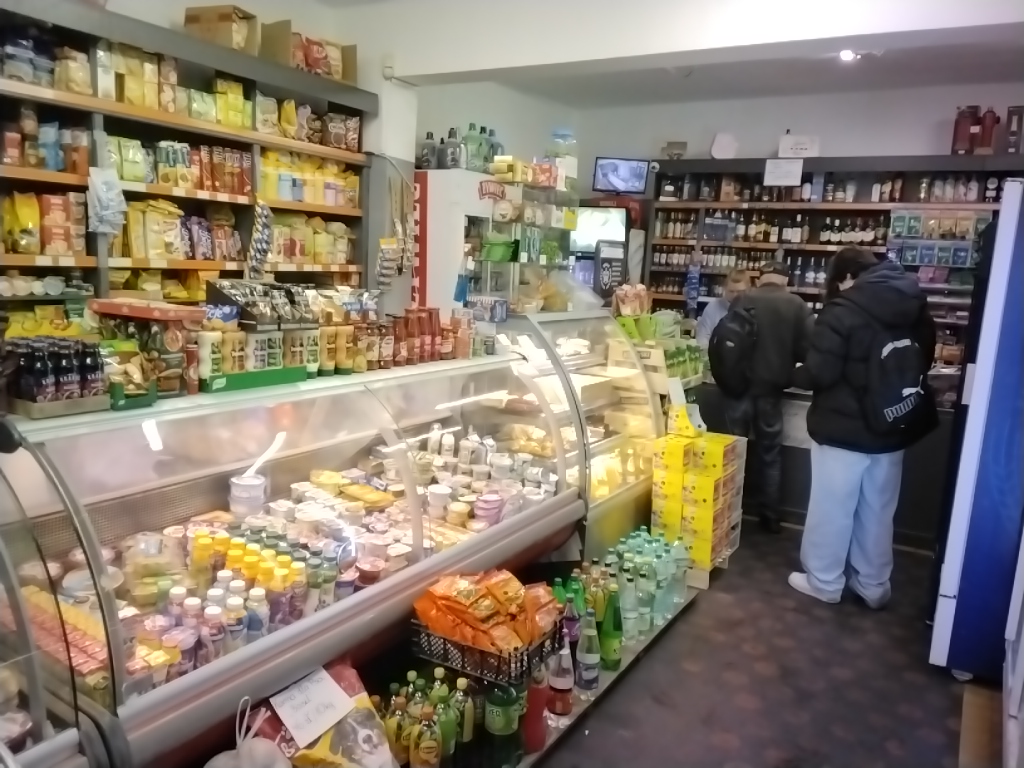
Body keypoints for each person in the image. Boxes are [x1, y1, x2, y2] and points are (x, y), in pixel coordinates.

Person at [788, 248, 937, 607]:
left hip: (843, 428)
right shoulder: (913, 303)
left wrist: (789, 373)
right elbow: (924, 359)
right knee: (879, 510)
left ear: (844, 277)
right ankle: (873, 584)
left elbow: (819, 373)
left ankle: (824, 581)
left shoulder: (841, 311)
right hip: (893, 423)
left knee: (832, 507)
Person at [717, 261, 812, 532]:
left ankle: (727, 514)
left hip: (738, 389)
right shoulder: (796, 305)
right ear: (786, 281)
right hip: (770, 393)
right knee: (770, 455)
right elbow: (809, 351)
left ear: (760, 279)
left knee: (733, 454)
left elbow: (728, 340)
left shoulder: (743, 300)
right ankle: (769, 518)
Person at [695, 269, 751, 346]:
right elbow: (702, 337)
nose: (735, 295)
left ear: (748, 289)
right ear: (724, 288)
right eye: (731, 291)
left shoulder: (755, 310)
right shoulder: (712, 308)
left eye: (740, 292)